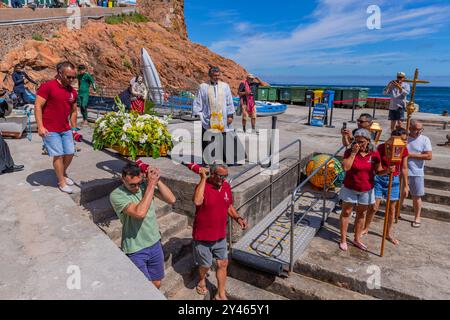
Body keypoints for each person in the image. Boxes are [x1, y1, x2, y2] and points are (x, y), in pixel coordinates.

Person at [109, 163, 176, 289]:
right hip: (135, 248)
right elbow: (140, 213)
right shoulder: (116, 195)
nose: (136, 187)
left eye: (139, 183)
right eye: (132, 184)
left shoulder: (145, 187)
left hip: (154, 242)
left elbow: (172, 199)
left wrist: (157, 180)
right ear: (122, 179)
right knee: (144, 287)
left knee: (157, 282)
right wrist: (150, 184)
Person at [192, 163, 248, 300]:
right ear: (212, 174)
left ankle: (220, 293)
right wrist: (203, 179)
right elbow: (197, 201)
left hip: (220, 236)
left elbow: (228, 205)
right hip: (203, 237)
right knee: (205, 264)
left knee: (222, 263)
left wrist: (238, 217)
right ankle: (201, 279)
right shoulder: (203, 186)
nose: (223, 179)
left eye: (225, 176)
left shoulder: (226, 186)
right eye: (220, 175)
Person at [339, 129, 391, 251]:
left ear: (368, 141)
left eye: (362, 142)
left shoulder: (374, 154)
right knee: (346, 212)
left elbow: (378, 171)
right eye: (356, 141)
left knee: (361, 214)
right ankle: (343, 239)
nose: (358, 144)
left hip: (367, 188)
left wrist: (388, 171)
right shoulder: (349, 152)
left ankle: (357, 239)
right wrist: (353, 153)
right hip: (350, 187)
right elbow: (346, 167)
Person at [35, 61, 79, 194]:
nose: (71, 80)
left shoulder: (72, 91)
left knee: (70, 152)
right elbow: (38, 106)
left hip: (65, 128)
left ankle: (62, 173)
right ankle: (61, 181)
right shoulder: (48, 86)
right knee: (58, 155)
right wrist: (40, 126)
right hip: (50, 129)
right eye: (68, 77)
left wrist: (74, 128)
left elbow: (74, 111)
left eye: (73, 77)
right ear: (60, 74)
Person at [362, 128, 409, 245]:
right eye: (402, 139)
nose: (404, 142)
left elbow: (404, 167)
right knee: (374, 207)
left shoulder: (404, 149)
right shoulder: (382, 147)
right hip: (380, 178)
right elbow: (377, 166)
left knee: (392, 209)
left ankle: (388, 233)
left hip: (394, 180)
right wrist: (386, 171)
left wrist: (406, 185)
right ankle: (366, 228)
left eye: (405, 140)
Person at [193, 66, 236, 165]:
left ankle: (224, 160)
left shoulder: (225, 86)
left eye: (218, 75)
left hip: (222, 119)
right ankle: (208, 160)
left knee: (223, 139)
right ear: (209, 75)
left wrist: (230, 115)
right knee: (208, 140)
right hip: (208, 119)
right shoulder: (203, 86)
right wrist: (199, 114)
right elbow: (198, 101)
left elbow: (229, 101)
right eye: (214, 75)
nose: (216, 77)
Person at [402, 120, 432, 228]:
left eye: (420, 129)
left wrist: (409, 155)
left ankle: (417, 217)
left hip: (417, 172)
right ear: (410, 128)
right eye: (415, 129)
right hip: (402, 171)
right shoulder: (404, 138)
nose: (418, 132)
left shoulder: (425, 139)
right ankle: (396, 214)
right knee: (400, 195)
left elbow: (428, 156)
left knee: (416, 197)